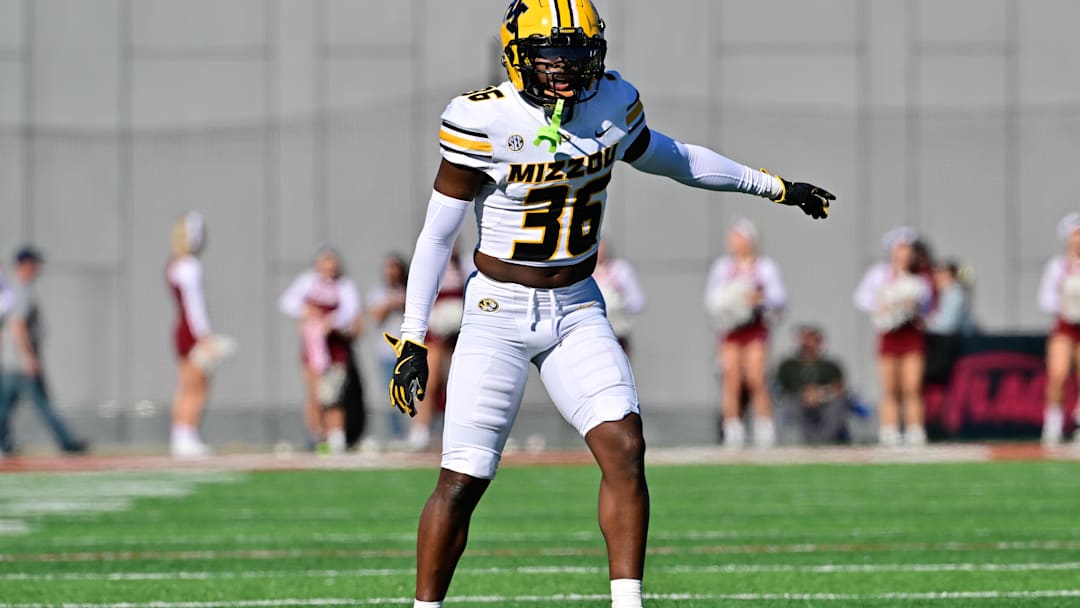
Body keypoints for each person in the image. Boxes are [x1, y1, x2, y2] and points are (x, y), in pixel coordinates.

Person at [381, 3, 833, 606]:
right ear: (518, 56)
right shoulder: (482, 119)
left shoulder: (610, 104)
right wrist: (414, 336)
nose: (567, 69)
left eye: (578, 53)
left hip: (576, 305)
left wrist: (773, 186)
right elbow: (437, 236)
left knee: (625, 446)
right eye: (552, 55)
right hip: (498, 315)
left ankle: (628, 603)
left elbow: (679, 159)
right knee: (462, 481)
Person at [704, 219, 786, 448]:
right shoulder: (723, 267)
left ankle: (764, 426)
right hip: (730, 330)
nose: (734, 243)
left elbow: (779, 297)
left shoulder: (764, 266)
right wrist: (728, 304)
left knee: (756, 377)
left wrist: (758, 299)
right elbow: (711, 299)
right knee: (730, 378)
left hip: (755, 328)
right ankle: (732, 428)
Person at [0, 246, 88, 455]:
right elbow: (17, 325)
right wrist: (28, 357)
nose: (38, 268)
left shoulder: (16, 290)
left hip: (13, 362)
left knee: (5, 407)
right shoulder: (21, 290)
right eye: (35, 264)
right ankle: (67, 442)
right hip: (19, 363)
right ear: (25, 265)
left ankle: (6, 442)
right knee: (42, 405)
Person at [279, 246, 365, 455]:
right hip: (313, 348)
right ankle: (318, 436)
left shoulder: (344, 286)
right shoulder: (308, 281)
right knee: (315, 393)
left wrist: (331, 322)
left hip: (336, 348)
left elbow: (350, 311)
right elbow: (287, 302)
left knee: (334, 394)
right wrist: (307, 312)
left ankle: (336, 437)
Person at [854, 226, 932, 446]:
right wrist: (881, 305)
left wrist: (913, 308)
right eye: (900, 249)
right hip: (889, 335)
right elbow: (861, 298)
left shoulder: (920, 277)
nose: (903, 254)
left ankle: (915, 429)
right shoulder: (879, 274)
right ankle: (889, 429)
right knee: (889, 387)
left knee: (912, 386)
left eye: (907, 249)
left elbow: (927, 308)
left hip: (911, 335)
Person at [166, 212, 235, 457]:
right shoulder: (189, 266)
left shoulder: (175, 263)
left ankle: (181, 434)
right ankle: (187, 434)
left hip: (183, 330)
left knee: (186, 386)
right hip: (192, 332)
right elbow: (195, 305)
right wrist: (204, 336)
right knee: (197, 386)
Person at [406, 245, 470, 452]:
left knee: (459, 381)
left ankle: (460, 431)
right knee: (430, 380)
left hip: (460, 333)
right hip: (434, 332)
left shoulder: (466, 266)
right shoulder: (431, 265)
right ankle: (420, 430)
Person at [1037, 212, 1080, 446]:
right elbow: (1045, 299)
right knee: (1058, 375)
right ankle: (1052, 424)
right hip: (1064, 328)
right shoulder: (1057, 266)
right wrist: (1064, 306)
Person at [774, 325, 849, 445]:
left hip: (825, 401)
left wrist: (821, 393)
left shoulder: (830, 366)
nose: (807, 344)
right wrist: (804, 394)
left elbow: (839, 388)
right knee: (794, 404)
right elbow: (779, 387)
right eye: (804, 339)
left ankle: (825, 442)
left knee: (838, 404)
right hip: (797, 400)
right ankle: (804, 442)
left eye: (811, 339)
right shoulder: (788, 365)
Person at [368, 253, 410, 444]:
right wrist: (390, 303)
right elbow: (375, 316)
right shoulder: (378, 292)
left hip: (410, 349)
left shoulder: (411, 290)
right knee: (393, 394)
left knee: (414, 392)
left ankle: (418, 432)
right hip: (387, 351)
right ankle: (397, 434)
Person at [924, 260, 977, 386]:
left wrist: (923, 324)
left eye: (940, 274)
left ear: (949, 275)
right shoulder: (944, 294)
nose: (936, 277)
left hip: (960, 347)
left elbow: (948, 325)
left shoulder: (954, 293)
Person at [592, 239, 645, 356]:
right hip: (592, 337)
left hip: (617, 335)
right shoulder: (586, 272)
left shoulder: (619, 270)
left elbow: (637, 302)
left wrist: (618, 303)